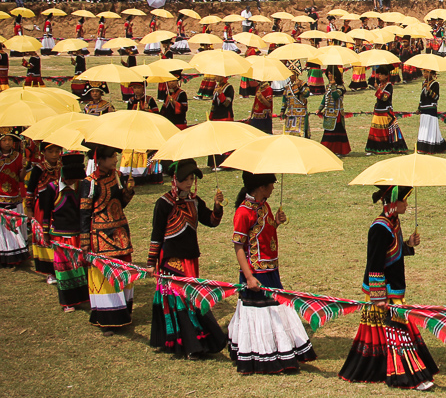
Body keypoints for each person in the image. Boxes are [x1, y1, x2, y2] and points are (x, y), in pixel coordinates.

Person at [339, 185, 438, 389]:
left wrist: (408, 244)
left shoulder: (393, 223)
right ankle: (409, 375)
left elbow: (392, 251)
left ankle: (388, 369)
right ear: (393, 202)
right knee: (396, 334)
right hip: (384, 293)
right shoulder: (379, 227)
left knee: (388, 335)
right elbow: (374, 263)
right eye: (404, 200)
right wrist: (379, 297)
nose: (407, 205)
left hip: (393, 290)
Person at [228, 172, 315, 374]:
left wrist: (276, 221)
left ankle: (279, 348)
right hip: (256, 272)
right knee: (261, 312)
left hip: (271, 269)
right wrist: (249, 277)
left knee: (276, 309)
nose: (274, 188)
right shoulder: (243, 212)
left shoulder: (263, 206)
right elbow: (238, 246)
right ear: (261, 187)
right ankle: (262, 354)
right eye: (271, 185)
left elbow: (265, 231)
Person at [147, 159, 227, 358]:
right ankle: (186, 342)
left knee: (191, 298)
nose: (190, 183)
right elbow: (156, 235)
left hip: (191, 259)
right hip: (171, 260)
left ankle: (195, 341)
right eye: (186, 179)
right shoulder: (163, 203)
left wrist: (217, 207)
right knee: (179, 299)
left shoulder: (195, 201)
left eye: (192, 179)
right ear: (175, 179)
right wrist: (150, 263)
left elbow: (212, 221)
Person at [81, 144, 135, 333]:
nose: (115, 159)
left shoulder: (117, 177)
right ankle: (108, 317)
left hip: (120, 231)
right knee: (106, 275)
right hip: (101, 236)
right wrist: (85, 242)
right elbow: (84, 214)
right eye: (112, 157)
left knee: (123, 272)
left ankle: (124, 313)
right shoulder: (89, 183)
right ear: (100, 160)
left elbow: (120, 204)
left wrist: (128, 191)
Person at [51, 153, 90, 311]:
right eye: (71, 179)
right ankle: (68, 302)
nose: (74, 182)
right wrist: (46, 233)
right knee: (65, 269)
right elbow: (46, 212)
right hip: (61, 237)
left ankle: (82, 297)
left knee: (81, 267)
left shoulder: (82, 187)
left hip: (79, 234)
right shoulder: (52, 188)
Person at [0, 131, 28, 267]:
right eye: (4, 140)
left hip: (13, 196)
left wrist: (24, 166)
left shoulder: (18, 156)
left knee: (12, 226)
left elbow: (21, 178)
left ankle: (16, 253)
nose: (7, 142)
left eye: (10, 139)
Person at [317, 67, 351, 155]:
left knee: (336, 131)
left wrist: (333, 86)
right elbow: (325, 98)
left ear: (336, 76)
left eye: (331, 74)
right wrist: (319, 109)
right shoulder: (328, 86)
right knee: (328, 131)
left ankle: (339, 150)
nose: (329, 76)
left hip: (337, 113)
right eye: (328, 74)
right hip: (328, 112)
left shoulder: (341, 87)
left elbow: (336, 96)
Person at [416, 70, 446, 154]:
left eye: (427, 72)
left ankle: (429, 147)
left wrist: (430, 91)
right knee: (424, 127)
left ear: (432, 74)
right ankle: (422, 146)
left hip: (431, 109)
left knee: (430, 127)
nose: (424, 74)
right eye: (424, 72)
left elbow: (436, 97)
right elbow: (421, 97)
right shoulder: (423, 83)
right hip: (424, 109)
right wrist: (419, 108)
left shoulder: (435, 84)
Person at [280, 69, 310, 138]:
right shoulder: (287, 86)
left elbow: (306, 94)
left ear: (296, 75)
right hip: (290, 113)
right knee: (290, 135)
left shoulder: (303, 83)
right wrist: (282, 111)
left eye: (292, 75)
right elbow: (285, 99)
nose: (291, 77)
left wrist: (300, 87)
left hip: (301, 113)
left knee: (300, 134)